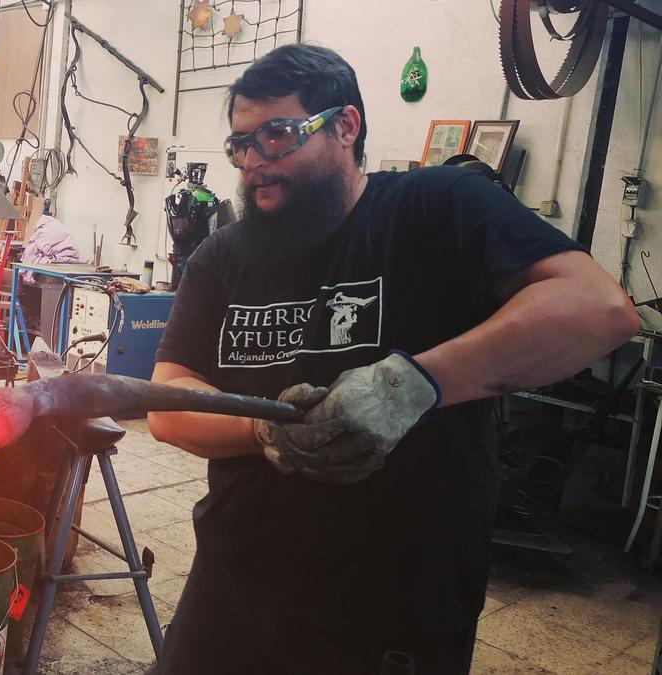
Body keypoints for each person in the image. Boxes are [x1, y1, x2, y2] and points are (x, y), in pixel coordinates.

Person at [148, 44, 637, 674]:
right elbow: (167, 399)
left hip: (395, 603)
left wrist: (411, 384)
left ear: (345, 126)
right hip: (236, 586)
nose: (254, 163)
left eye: (278, 135)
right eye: (241, 144)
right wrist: (263, 431)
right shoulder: (222, 257)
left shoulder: (437, 207)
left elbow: (598, 308)